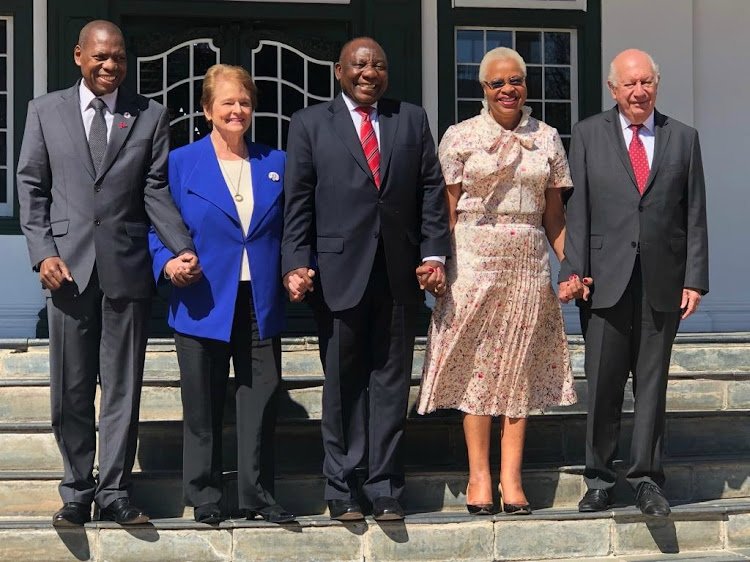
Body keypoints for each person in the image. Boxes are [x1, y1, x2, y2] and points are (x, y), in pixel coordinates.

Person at [16, 20, 200, 526]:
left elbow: (155, 190)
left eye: (118, 57)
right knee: (72, 389)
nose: (109, 65)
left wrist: (181, 246)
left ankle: (115, 491)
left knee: (122, 388)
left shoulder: (150, 115)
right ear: (79, 56)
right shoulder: (44, 110)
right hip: (67, 272)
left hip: (126, 269)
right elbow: (31, 186)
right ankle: (76, 490)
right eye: (100, 57)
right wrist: (42, 252)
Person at [281, 37, 450, 521]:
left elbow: (431, 193)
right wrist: (295, 261)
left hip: (399, 275)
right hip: (338, 273)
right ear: (339, 71)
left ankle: (385, 486)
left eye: (378, 65)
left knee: (391, 385)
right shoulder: (310, 124)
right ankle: (341, 485)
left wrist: (434, 254)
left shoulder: (411, 119)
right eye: (359, 65)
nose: (369, 72)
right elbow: (298, 200)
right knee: (342, 383)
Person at [417, 47, 577, 516]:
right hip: (471, 261)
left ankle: (512, 475)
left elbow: (555, 216)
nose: (508, 90)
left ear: (526, 85)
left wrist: (573, 265)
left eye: (516, 81)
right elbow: (443, 210)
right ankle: (479, 475)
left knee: (518, 369)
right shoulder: (460, 136)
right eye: (497, 84)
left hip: (527, 264)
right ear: (483, 89)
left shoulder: (546, 137)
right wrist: (435, 262)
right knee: (477, 367)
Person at [559, 49, 709, 517]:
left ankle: (646, 479)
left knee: (652, 386)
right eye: (629, 84)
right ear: (613, 89)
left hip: (664, 282)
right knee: (603, 384)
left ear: (656, 85)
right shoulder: (586, 134)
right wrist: (573, 271)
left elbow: (695, 214)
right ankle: (600, 479)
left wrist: (695, 280)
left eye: (646, 82)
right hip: (603, 280)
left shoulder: (683, 138)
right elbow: (577, 212)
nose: (638, 91)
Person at [148, 64, 293, 524]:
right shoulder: (179, 162)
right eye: (227, 102)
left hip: (260, 299)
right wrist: (167, 263)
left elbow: (293, 228)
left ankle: (257, 496)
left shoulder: (276, 163)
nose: (237, 110)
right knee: (202, 401)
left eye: (245, 102)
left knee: (261, 398)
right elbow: (154, 224)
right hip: (202, 297)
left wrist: (296, 268)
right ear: (208, 109)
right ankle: (205, 496)